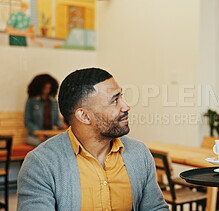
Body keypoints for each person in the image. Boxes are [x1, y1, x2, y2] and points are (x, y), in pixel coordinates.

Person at [17, 68, 169, 210]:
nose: (126, 106)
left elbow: (156, 208)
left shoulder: (139, 153)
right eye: (115, 100)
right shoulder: (41, 164)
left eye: (121, 96)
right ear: (84, 116)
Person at [24, 74, 66, 146]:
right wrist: (38, 133)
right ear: (39, 88)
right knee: (42, 144)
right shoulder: (31, 100)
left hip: (50, 133)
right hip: (34, 135)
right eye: (45, 88)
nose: (47, 91)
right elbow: (27, 121)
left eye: (49, 88)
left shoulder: (53, 101)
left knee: (59, 143)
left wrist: (62, 125)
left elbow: (56, 119)